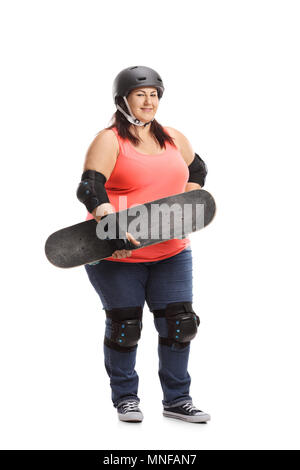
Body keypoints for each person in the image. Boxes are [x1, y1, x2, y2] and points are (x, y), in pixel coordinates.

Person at [76, 66, 210, 423]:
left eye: (154, 94)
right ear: (123, 100)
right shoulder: (109, 140)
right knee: (125, 328)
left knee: (179, 324)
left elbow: (197, 171)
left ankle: (177, 400)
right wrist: (110, 222)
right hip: (116, 252)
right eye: (140, 95)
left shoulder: (173, 137)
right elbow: (90, 188)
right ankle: (126, 399)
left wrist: (187, 204)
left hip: (172, 251)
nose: (148, 101)